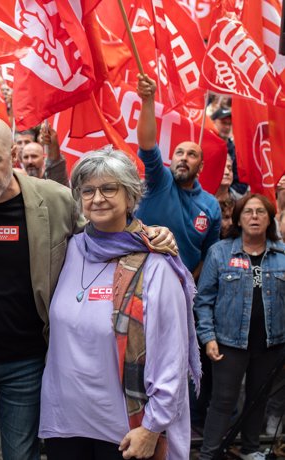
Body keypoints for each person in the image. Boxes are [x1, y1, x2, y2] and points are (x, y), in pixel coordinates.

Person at [0, 116, 176, 460]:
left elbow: (103, 224)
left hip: (25, 360)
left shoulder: (55, 199)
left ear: (13, 153)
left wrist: (149, 233)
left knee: (22, 453)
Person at [39, 148, 199, 459]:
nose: (97, 198)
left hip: (126, 429)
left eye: (109, 188)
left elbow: (172, 355)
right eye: (88, 190)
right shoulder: (69, 248)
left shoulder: (155, 263)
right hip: (64, 422)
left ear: (130, 196)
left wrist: (153, 427)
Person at [195, 194, 285, 460]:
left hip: (271, 344)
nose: (254, 216)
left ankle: (250, 450)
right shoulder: (220, 252)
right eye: (248, 211)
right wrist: (208, 337)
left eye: (260, 212)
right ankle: (209, 454)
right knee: (222, 402)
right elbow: (203, 300)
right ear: (239, 219)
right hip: (228, 343)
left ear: (269, 219)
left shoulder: (281, 255)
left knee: (258, 399)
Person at [135, 74, 221, 279]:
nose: (183, 158)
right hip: (138, 279)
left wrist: (188, 282)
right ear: (170, 160)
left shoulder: (211, 205)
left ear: (200, 167)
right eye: (179, 153)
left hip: (181, 288)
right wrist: (147, 101)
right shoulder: (159, 180)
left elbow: (209, 255)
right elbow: (147, 144)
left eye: (192, 155)